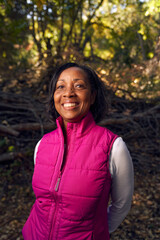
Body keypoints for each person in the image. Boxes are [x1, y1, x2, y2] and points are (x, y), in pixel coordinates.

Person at [22, 62, 134, 240]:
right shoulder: (42, 144)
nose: (68, 93)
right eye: (61, 87)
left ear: (92, 96)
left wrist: (95, 233)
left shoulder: (114, 147)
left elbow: (122, 204)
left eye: (79, 85)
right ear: (54, 96)